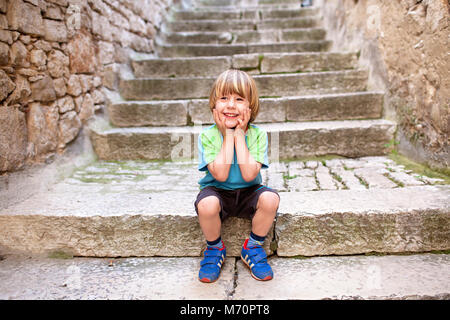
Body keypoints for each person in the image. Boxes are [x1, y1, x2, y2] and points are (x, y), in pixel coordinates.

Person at [194, 69, 280, 283]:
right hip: (218, 191)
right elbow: (221, 174)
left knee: (271, 199)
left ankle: (252, 247)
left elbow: (250, 174)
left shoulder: (258, 135)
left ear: (251, 107)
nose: (231, 105)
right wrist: (227, 135)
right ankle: (215, 248)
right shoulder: (207, 136)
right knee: (206, 205)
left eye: (239, 99)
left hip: (249, 190)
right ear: (214, 106)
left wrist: (239, 134)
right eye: (224, 98)